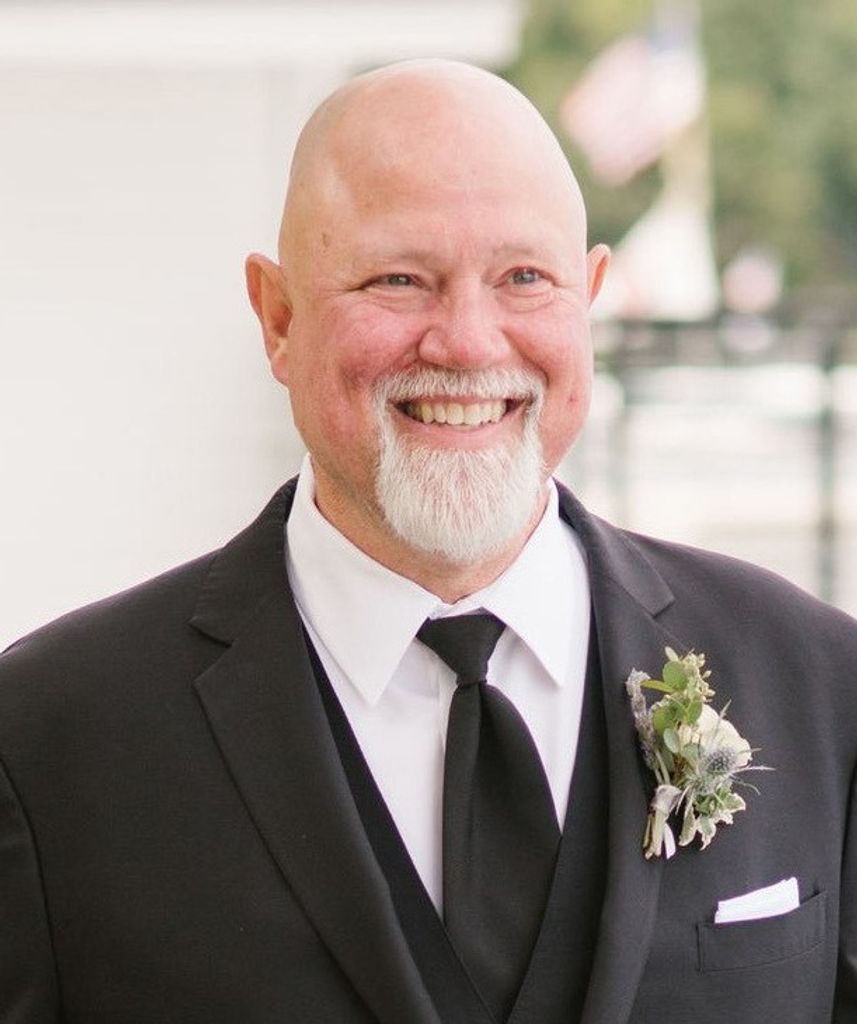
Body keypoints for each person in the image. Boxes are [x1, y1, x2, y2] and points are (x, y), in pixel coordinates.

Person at [0, 58, 855, 1024]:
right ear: (278, 319)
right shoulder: (44, 744)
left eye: (523, 278)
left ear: (589, 296)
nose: (467, 342)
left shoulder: (823, 688)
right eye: (399, 280)